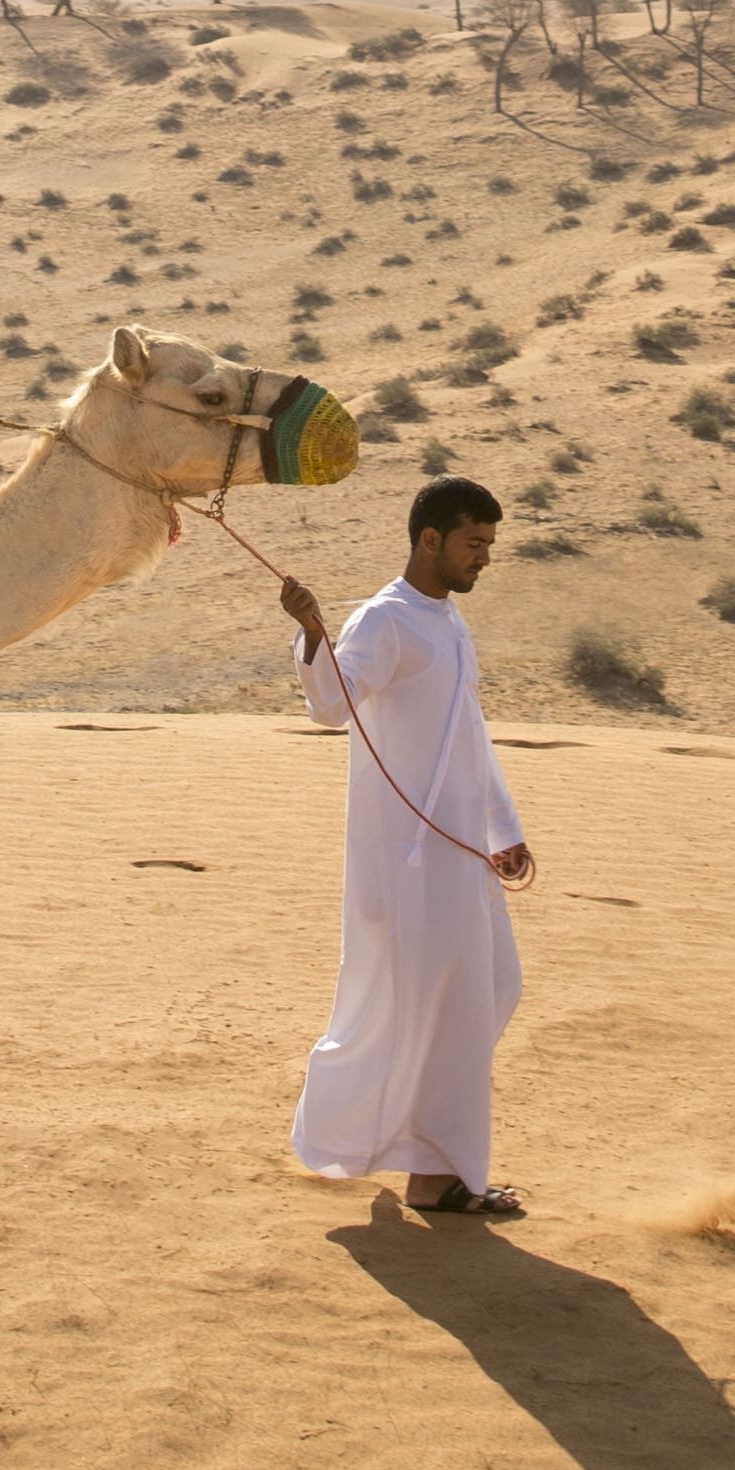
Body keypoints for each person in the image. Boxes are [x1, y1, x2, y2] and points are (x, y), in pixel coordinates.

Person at [273, 477, 537, 1218]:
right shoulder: (385, 620)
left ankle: (430, 1160)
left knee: (489, 991)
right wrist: (311, 633)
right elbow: (332, 705)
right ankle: (440, 1175)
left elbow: (469, 735)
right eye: (473, 544)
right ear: (430, 540)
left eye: (488, 545)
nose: (483, 559)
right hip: (407, 859)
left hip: (461, 853)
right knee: (430, 1006)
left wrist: (501, 830)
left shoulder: (449, 623)